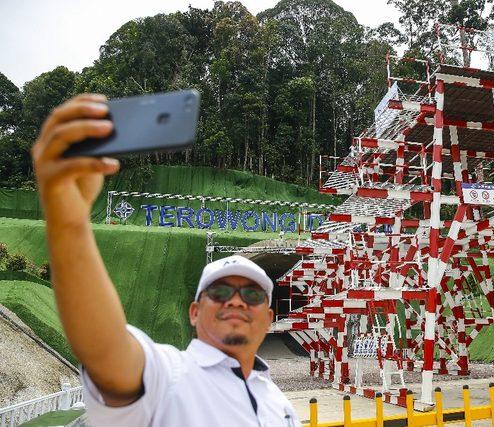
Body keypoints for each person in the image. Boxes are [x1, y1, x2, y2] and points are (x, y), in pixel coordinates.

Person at [31, 94, 300, 426]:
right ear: (194, 312)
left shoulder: (280, 404)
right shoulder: (167, 377)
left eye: (253, 294)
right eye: (218, 292)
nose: (236, 301)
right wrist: (69, 224)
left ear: (270, 317)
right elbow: (107, 352)